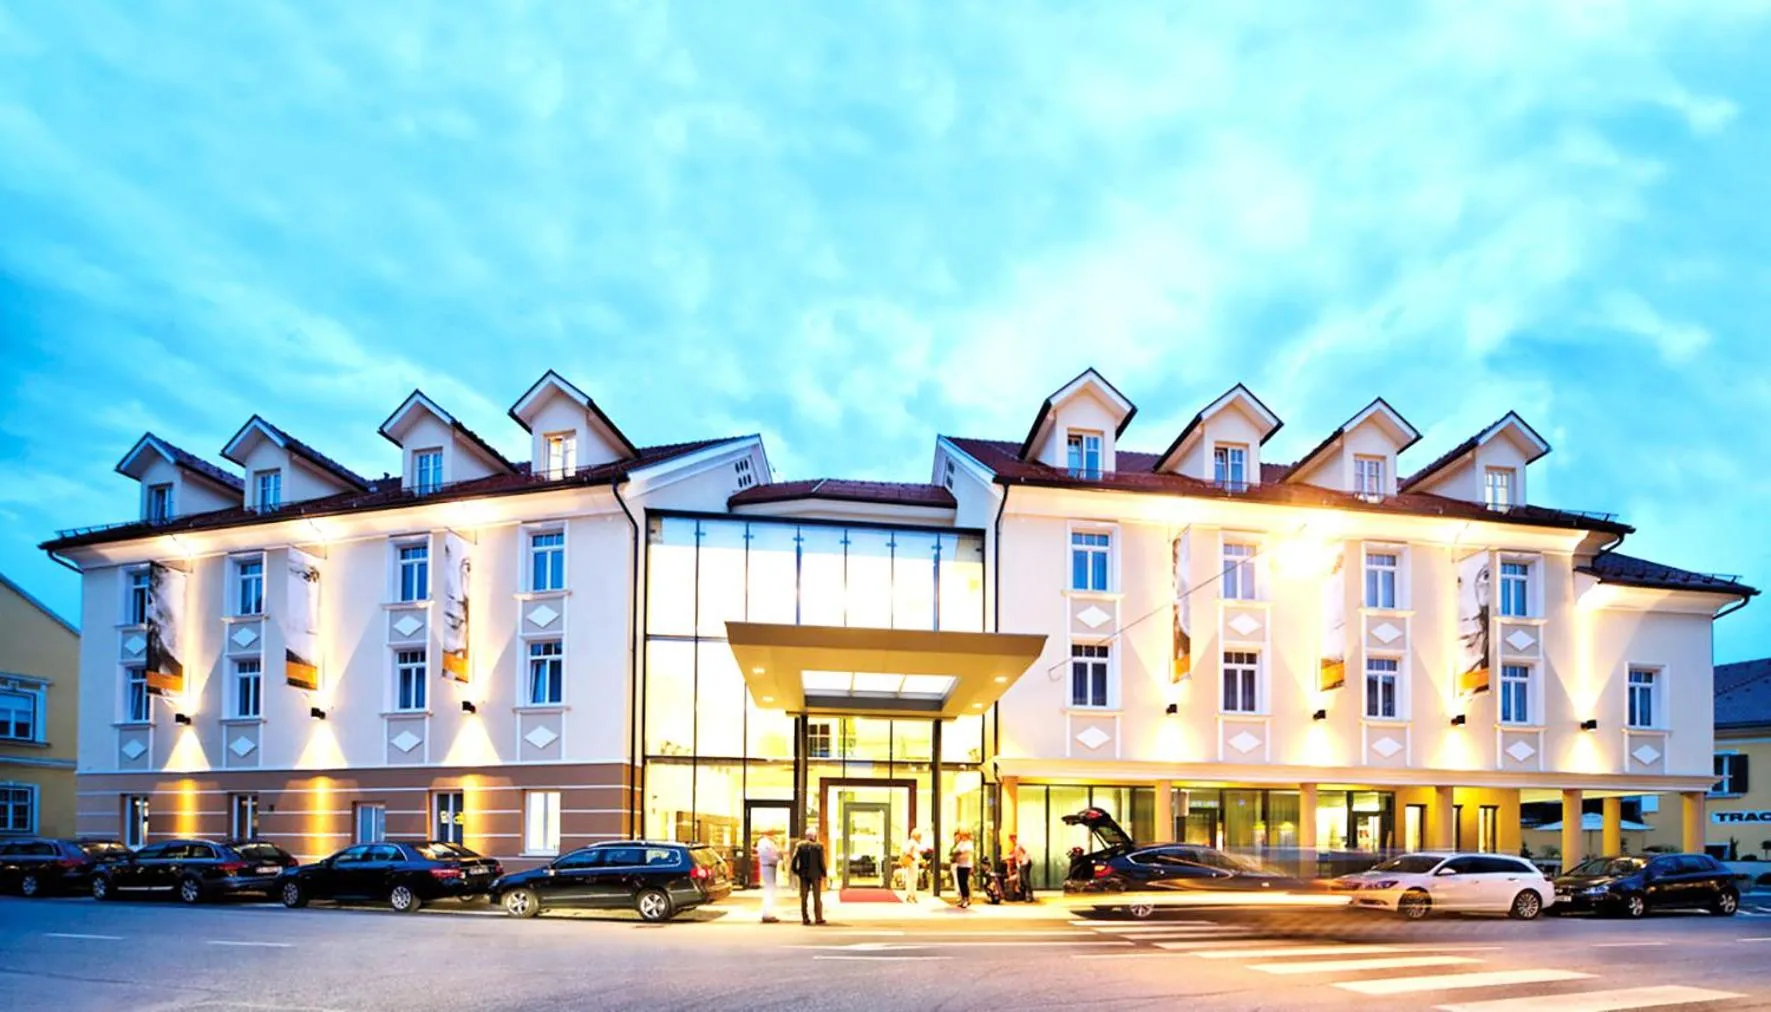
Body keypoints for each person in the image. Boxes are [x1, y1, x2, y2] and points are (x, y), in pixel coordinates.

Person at [790, 828, 827, 925]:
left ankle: (805, 918)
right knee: (817, 897)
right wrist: (824, 872)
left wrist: (796, 870)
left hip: (803, 875)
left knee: (804, 897)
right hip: (815, 874)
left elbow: (794, 859)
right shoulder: (819, 846)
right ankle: (818, 918)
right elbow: (821, 861)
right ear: (814, 836)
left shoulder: (800, 845)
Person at [756, 828, 781, 924]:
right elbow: (770, 856)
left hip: (770, 867)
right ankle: (767, 914)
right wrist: (777, 856)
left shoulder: (768, 843)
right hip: (768, 866)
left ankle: (769, 913)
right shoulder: (764, 843)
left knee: (770, 891)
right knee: (769, 891)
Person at [951, 829, 975, 908]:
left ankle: (966, 899)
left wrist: (959, 854)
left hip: (966, 865)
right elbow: (955, 851)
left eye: (963, 835)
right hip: (960, 865)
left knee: (964, 882)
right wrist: (959, 854)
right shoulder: (961, 843)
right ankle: (962, 899)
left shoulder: (969, 844)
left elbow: (967, 854)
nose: (961, 837)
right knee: (960, 882)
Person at [901, 827, 925, 903]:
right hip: (912, 862)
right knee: (912, 880)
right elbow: (907, 852)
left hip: (914, 862)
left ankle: (913, 895)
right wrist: (913, 857)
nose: (920, 838)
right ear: (916, 836)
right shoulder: (912, 842)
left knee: (913, 879)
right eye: (919, 836)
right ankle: (910, 896)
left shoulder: (913, 842)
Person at [1009, 833, 1032, 901]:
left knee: (1025, 879)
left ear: (1015, 838)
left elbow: (1027, 852)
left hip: (1025, 863)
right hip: (1022, 864)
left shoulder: (1019, 844)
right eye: (1011, 839)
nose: (1012, 840)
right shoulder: (1016, 846)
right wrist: (1005, 858)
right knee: (1022, 880)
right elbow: (1014, 856)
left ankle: (1029, 895)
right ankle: (1025, 895)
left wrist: (1025, 860)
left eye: (1013, 838)